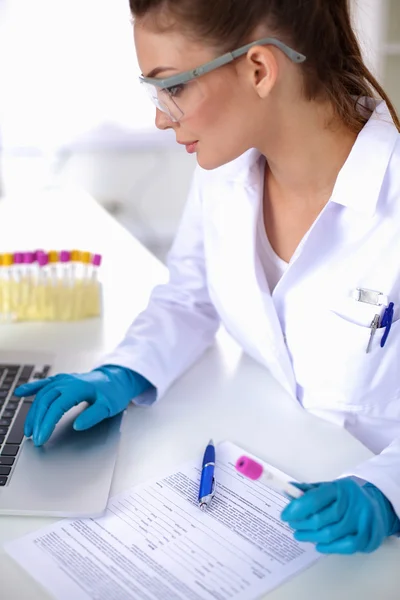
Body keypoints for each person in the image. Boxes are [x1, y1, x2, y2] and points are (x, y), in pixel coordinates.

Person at [15, 0, 400, 554]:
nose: (159, 115)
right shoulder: (229, 169)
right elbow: (189, 297)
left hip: (372, 542)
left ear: (260, 69)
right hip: (273, 490)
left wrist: (386, 494)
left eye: (172, 87)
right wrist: (121, 371)